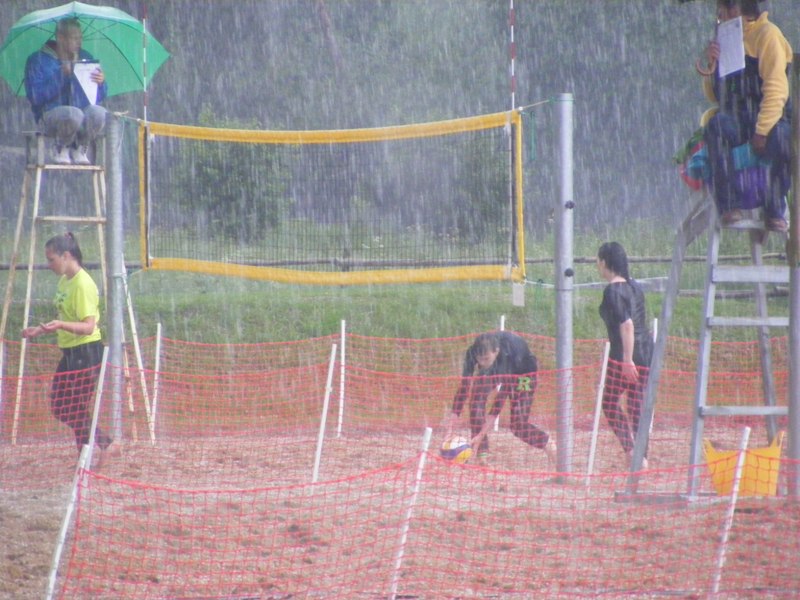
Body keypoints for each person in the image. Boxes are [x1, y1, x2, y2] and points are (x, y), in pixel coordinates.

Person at [700, 0, 792, 232]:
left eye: (727, 9)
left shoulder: (768, 35)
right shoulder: (728, 38)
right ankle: (729, 204)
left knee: (783, 139)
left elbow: (776, 90)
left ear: (741, 8)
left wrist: (761, 131)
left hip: (771, 117)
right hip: (739, 116)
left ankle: (774, 207)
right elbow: (717, 96)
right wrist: (711, 64)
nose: (722, 15)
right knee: (716, 126)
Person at [22, 233, 112, 457]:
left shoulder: (83, 285)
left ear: (66, 255)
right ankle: (103, 446)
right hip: (71, 353)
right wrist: (41, 329)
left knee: (73, 407)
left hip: (88, 352)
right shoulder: (65, 280)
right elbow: (65, 316)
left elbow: (89, 326)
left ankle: (90, 456)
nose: (48, 264)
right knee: (61, 407)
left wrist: (60, 324)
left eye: (51, 259)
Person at [444, 331, 556, 466]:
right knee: (476, 401)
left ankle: (548, 444)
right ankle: (481, 454)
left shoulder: (508, 355)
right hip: (496, 368)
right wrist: (449, 429)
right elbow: (464, 388)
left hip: (524, 373)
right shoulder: (472, 353)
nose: (482, 363)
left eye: (486, 359)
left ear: (496, 351)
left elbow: (500, 401)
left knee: (518, 425)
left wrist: (482, 433)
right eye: (479, 359)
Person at [597, 242, 653, 468]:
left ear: (604, 262)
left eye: (598, 262)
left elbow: (627, 325)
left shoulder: (613, 290)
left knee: (609, 401)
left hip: (626, 354)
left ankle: (632, 451)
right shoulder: (635, 286)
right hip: (648, 351)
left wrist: (627, 359)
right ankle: (642, 456)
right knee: (637, 404)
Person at [24, 17, 108, 165]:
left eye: (80, 38)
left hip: (81, 115)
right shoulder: (38, 60)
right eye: (74, 38)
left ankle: (79, 146)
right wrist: (62, 76)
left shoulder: (85, 57)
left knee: (99, 112)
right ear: (60, 38)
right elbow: (35, 96)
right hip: (50, 116)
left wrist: (101, 83)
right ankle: (59, 147)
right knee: (72, 114)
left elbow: (96, 97)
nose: (79, 42)